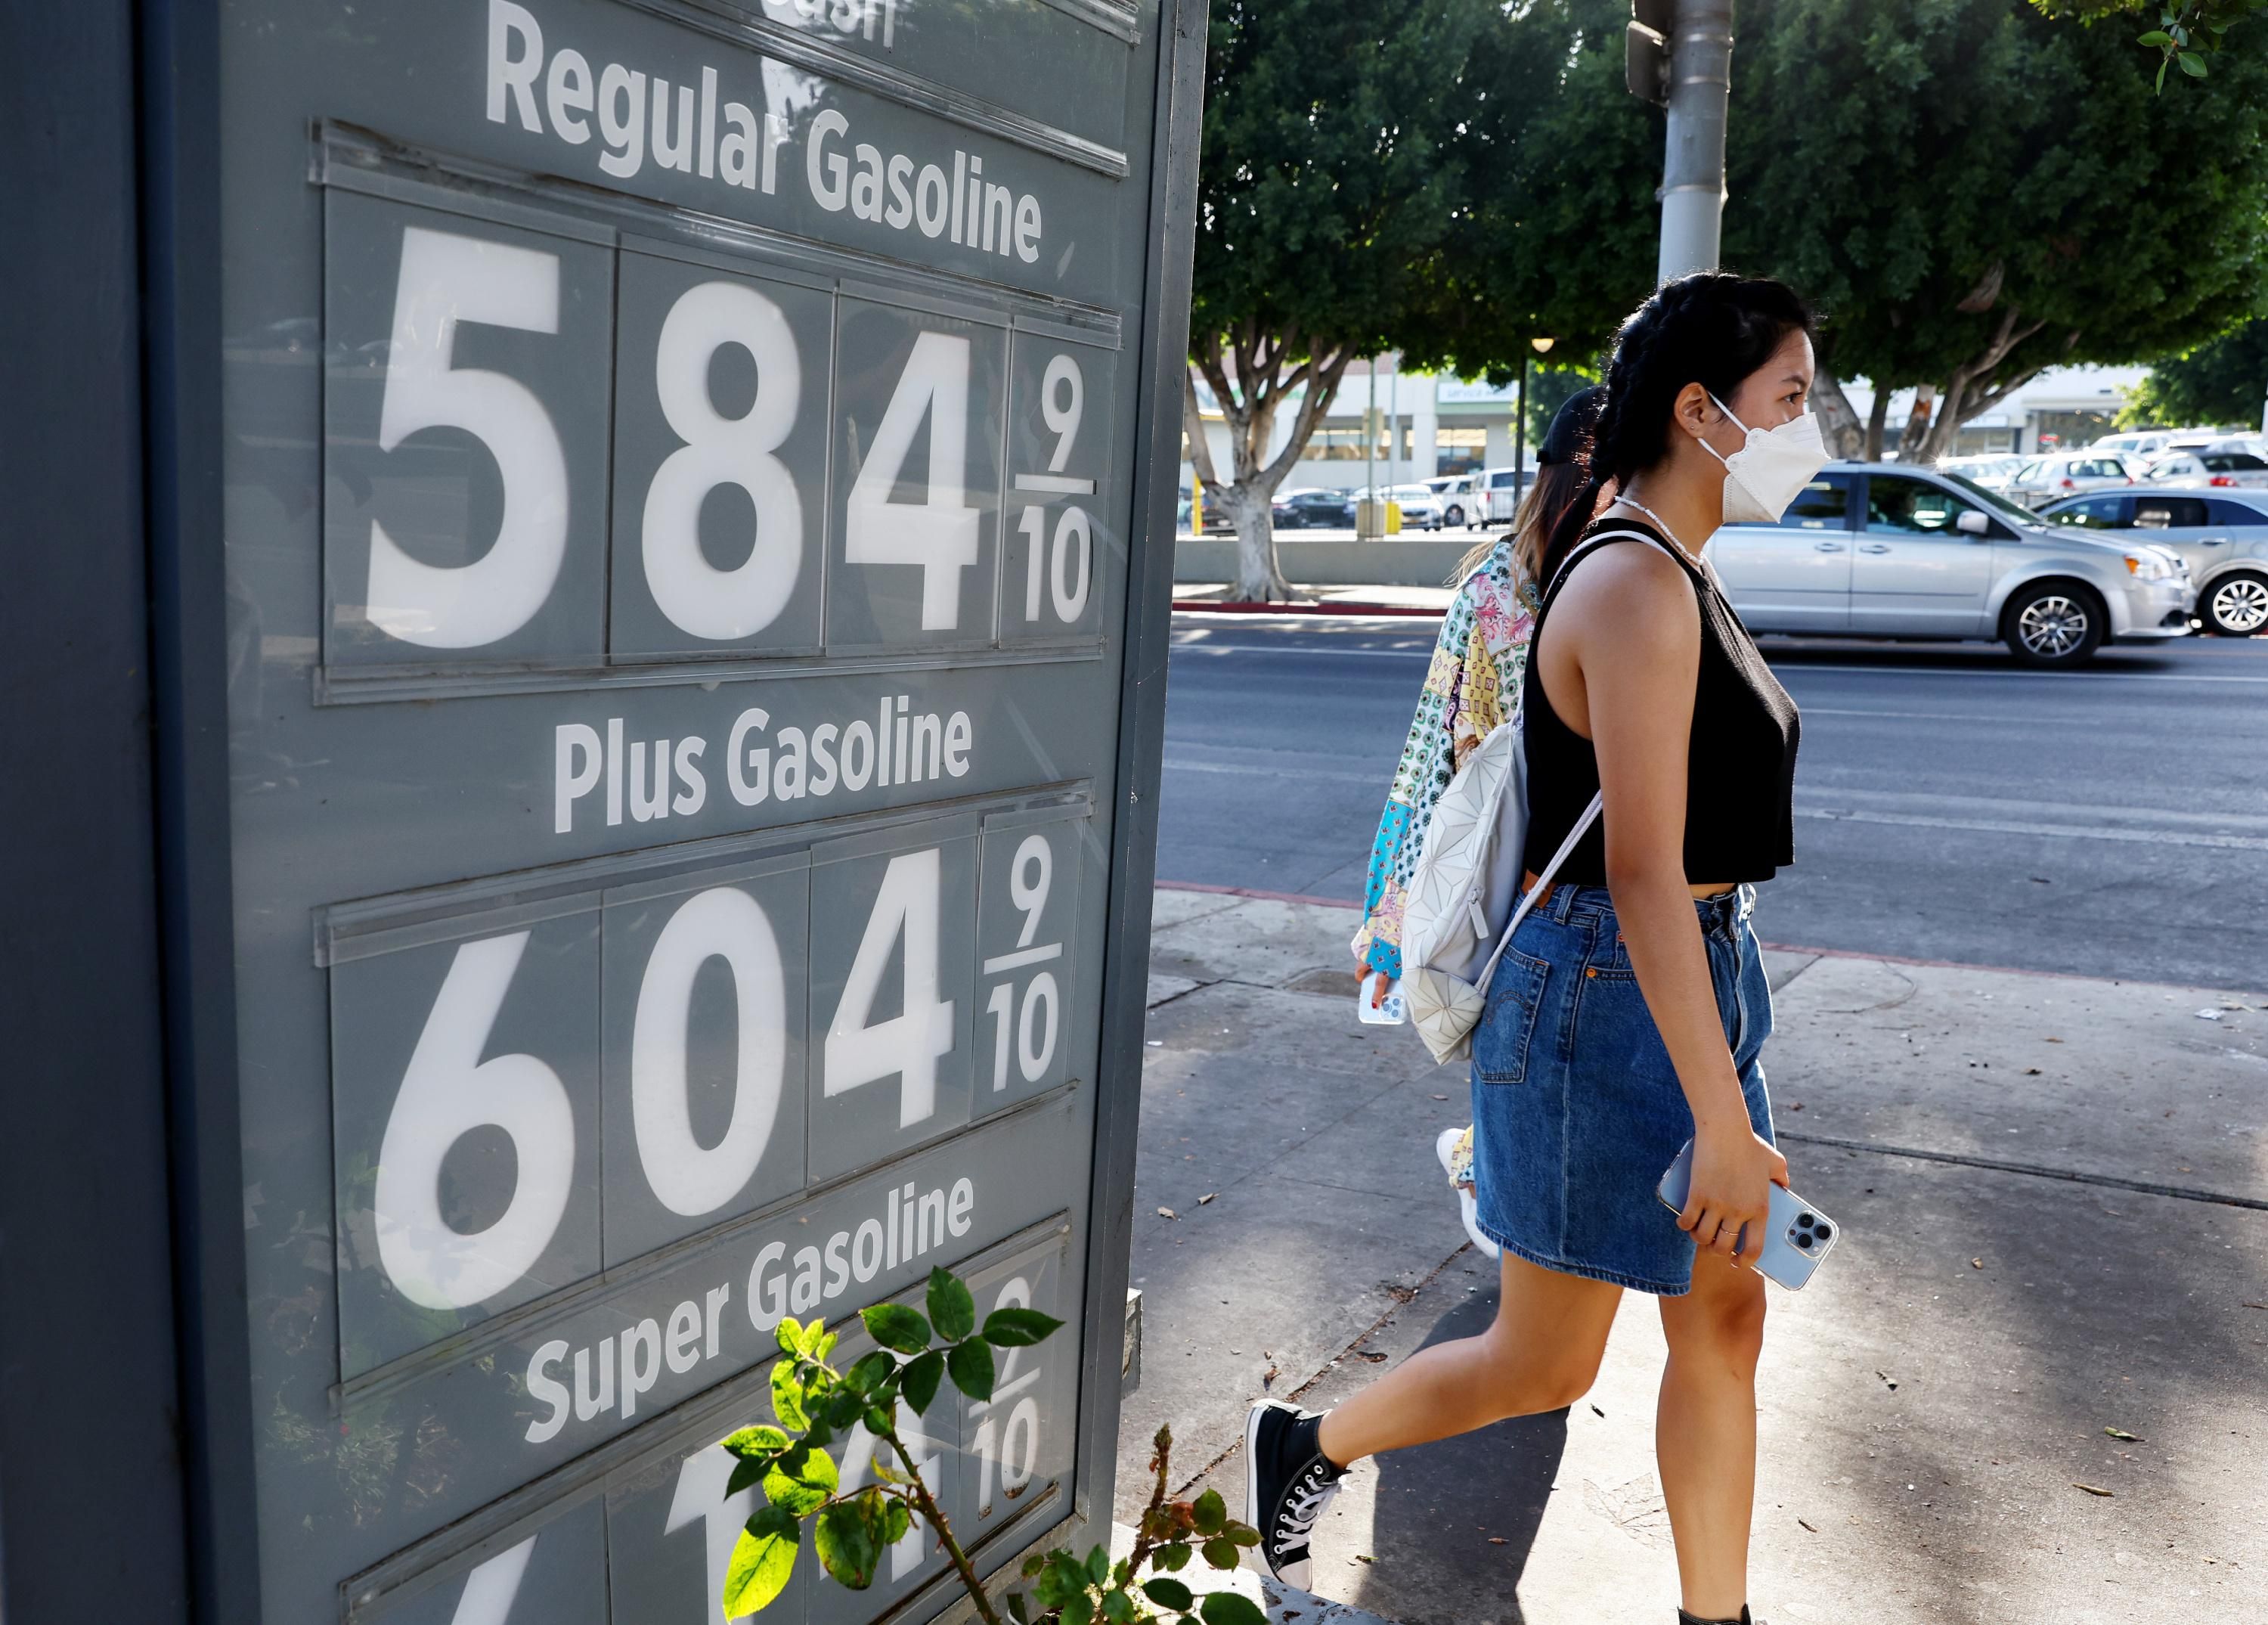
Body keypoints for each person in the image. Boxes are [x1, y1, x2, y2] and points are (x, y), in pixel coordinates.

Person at [1253, 271, 1820, 1625]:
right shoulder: (1631, 581)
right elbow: (1636, 872)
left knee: (1724, 1319)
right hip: (1606, 991)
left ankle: (1715, 1614)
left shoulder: (1678, 565)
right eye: (1793, 399)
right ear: (1703, 410)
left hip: (1694, 967)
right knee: (1545, 1360)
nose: (1815, 430)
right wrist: (1721, 1110)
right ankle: (1308, 1443)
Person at [1349, 387, 1609, 1259]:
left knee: (1536, 1043)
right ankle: (1479, 1165)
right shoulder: (1516, 584)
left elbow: (1429, 751)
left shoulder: (1518, 578)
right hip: (1523, 861)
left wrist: (1395, 916)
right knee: (1525, 1041)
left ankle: (1483, 1165)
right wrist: (1393, 923)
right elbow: (1434, 747)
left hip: (1535, 859)